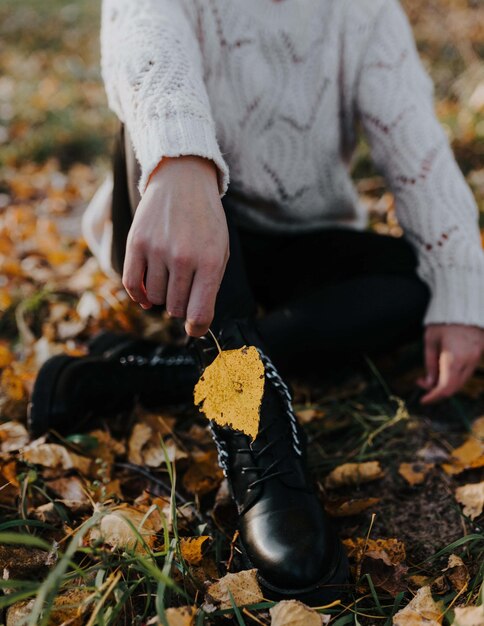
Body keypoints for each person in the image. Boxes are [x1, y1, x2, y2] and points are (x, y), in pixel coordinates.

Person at [30, 0, 484, 603]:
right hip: (177, 218)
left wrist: (459, 296)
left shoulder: (366, 12)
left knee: (423, 282)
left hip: (296, 245)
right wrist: (182, 160)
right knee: (154, 130)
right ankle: (261, 446)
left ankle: (131, 375)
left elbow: (418, 152)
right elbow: (144, 36)